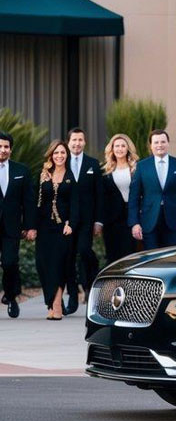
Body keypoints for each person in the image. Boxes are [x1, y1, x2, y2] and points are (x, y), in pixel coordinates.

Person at [128, 130, 176, 249]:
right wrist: (135, 223)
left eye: (163, 142)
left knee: (172, 257)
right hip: (149, 222)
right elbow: (134, 197)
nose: (160, 145)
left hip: (174, 222)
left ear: (168, 143)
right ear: (151, 145)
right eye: (156, 142)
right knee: (151, 257)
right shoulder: (142, 166)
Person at [35, 141, 78, 321]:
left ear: (67, 155)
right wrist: (31, 227)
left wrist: (71, 224)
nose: (59, 156)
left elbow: (75, 203)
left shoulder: (71, 176)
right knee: (43, 264)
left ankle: (57, 305)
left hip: (63, 228)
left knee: (58, 265)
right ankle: (50, 303)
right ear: (51, 155)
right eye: (56, 153)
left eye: (62, 152)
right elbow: (37, 202)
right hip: (44, 227)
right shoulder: (43, 175)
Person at [64, 127, 103, 312]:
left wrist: (98, 221)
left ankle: (88, 282)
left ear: (85, 142)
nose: (77, 143)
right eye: (74, 140)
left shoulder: (93, 164)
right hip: (66, 221)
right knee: (69, 257)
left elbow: (99, 195)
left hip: (87, 220)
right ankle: (73, 295)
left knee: (84, 250)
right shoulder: (61, 161)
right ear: (68, 142)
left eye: (80, 140)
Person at [0, 131, 36, 319]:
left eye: (6, 147)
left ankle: (11, 296)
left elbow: (28, 201)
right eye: (0, 146)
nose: (3, 150)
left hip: (12, 227)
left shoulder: (21, 171)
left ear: (11, 149)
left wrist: (30, 226)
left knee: (9, 262)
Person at [100, 133, 139, 265]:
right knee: (113, 256)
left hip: (132, 218)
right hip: (112, 221)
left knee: (131, 255)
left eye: (123, 146)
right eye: (117, 146)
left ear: (128, 148)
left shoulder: (137, 168)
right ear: (112, 149)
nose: (120, 149)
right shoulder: (105, 171)